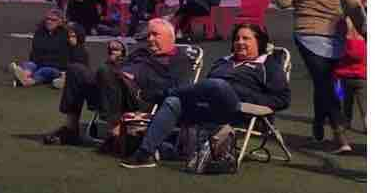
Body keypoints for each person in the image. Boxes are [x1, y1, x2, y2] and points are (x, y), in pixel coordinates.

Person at [121, 23, 291, 169]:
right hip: (209, 106)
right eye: (237, 38)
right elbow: (205, 87)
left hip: (239, 110)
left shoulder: (268, 65)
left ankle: (161, 95)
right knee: (174, 101)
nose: (239, 42)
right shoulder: (224, 61)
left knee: (218, 84)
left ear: (259, 42)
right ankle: (144, 154)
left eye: (246, 39)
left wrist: (248, 97)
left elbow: (282, 99)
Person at [273, 0, 366, 152]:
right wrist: (364, 32)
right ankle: (322, 124)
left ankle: (339, 135)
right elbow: (355, 7)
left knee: (323, 82)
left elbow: (282, 2)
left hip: (306, 33)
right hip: (335, 35)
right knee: (325, 81)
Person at [43, 18, 189, 149]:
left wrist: (134, 78)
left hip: (139, 98)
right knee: (76, 69)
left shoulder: (178, 59)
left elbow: (174, 86)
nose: (150, 39)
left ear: (170, 37)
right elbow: (120, 65)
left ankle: (116, 132)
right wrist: (116, 62)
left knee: (106, 72)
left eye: (155, 35)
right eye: (149, 35)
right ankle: (71, 129)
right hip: (113, 88)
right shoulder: (142, 52)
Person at [10, 9, 70, 87]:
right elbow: (35, 52)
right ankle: (24, 75)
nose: (49, 21)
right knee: (29, 65)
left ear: (60, 21)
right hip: (39, 63)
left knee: (44, 70)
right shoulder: (39, 32)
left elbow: (63, 57)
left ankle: (28, 81)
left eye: (53, 20)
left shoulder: (65, 35)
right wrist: (35, 64)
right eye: (47, 19)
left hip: (56, 67)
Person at [335, 16, 366, 131]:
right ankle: (367, 124)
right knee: (364, 104)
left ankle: (345, 122)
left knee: (345, 102)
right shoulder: (362, 42)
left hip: (342, 79)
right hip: (361, 78)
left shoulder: (341, 44)